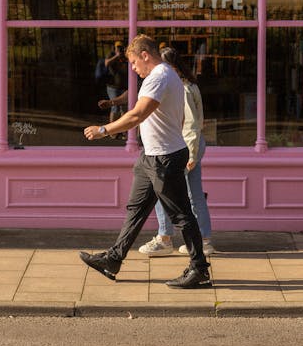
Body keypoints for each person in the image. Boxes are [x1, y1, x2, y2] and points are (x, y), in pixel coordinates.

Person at [81, 34, 211, 289]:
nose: (132, 68)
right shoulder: (160, 76)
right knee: (136, 209)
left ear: (145, 55)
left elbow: (138, 114)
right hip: (151, 156)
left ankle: (199, 269)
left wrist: (104, 130)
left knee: (182, 214)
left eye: (133, 62)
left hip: (164, 157)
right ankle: (113, 259)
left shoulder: (160, 76)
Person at [137, 46, 214, 257]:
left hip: (183, 146)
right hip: (190, 145)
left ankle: (165, 238)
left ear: (169, 66)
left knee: (164, 192)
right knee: (193, 194)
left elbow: (190, 125)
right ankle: (204, 239)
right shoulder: (187, 86)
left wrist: (190, 154)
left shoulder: (183, 88)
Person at [103, 41, 129, 125]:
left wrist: (125, 55)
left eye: (121, 47)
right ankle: (113, 132)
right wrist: (116, 56)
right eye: (118, 47)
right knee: (115, 107)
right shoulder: (111, 55)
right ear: (114, 48)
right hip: (113, 86)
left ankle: (122, 129)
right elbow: (106, 63)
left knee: (124, 108)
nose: (119, 49)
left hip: (124, 86)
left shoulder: (125, 56)